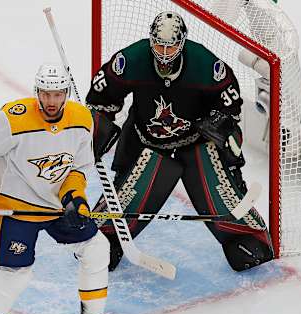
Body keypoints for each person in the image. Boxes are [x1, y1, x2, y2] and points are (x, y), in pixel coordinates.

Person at [0, 63, 134, 314]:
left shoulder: (82, 120)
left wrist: (74, 199)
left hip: (56, 206)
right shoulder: (12, 119)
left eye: (57, 94)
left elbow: (76, 170)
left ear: (65, 93)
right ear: (36, 91)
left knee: (96, 249)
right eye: (45, 93)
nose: (51, 101)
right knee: (16, 275)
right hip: (16, 206)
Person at [87, 11, 274, 272]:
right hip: (145, 141)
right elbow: (100, 98)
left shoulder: (205, 64)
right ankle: (107, 238)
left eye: (171, 45)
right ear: (150, 40)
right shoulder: (130, 60)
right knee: (125, 202)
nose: (164, 52)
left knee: (221, 192)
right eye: (159, 44)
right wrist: (98, 128)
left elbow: (230, 105)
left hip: (194, 143)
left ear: (182, 42)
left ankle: (242, 236)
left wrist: (221, 126)